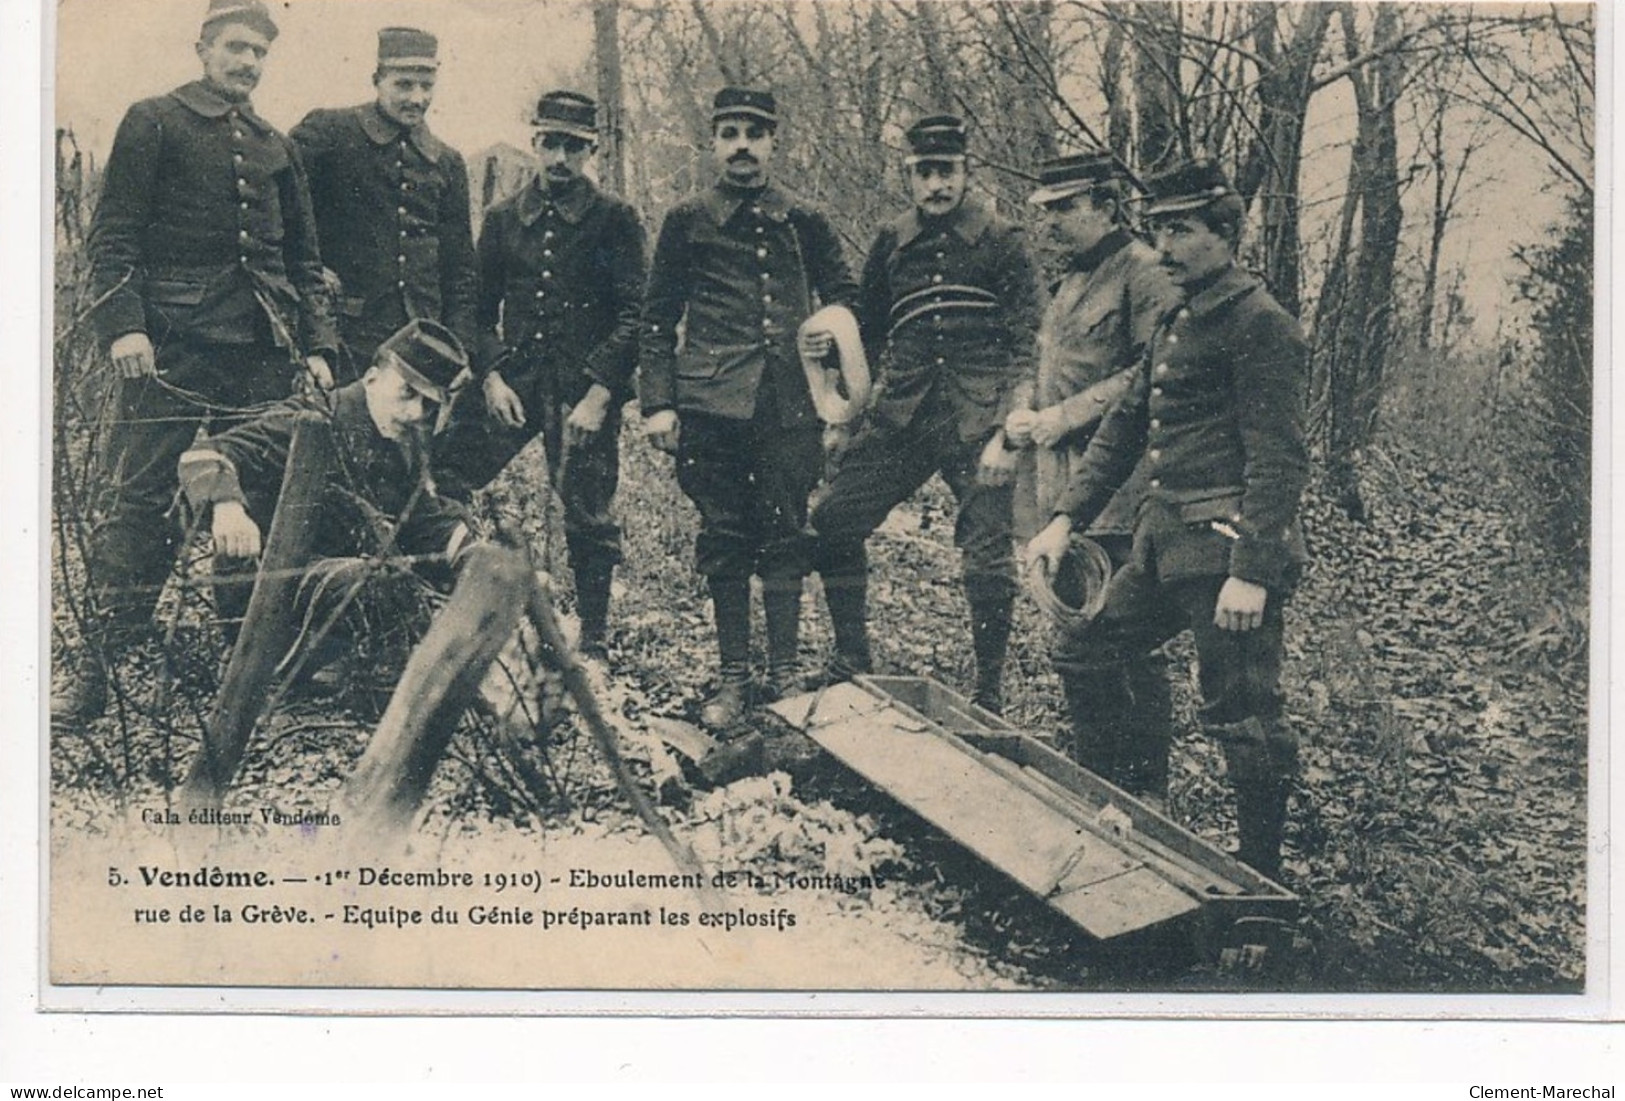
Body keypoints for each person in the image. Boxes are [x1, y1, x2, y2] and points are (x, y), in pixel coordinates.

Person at [1024, 159, 1311, 879]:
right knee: (1086, 648)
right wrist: (1064, 517)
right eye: (1154, 230)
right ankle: (1114, 805)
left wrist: (1251, 572)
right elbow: (1123, 428)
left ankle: (1260, 879)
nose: (1162, 247)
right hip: (1160, 546)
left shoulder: (1259, 323)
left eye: (1178, 229)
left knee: (1241, 714)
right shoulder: (1179, 318)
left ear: (1224, 233)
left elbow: (1278, 460)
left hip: (1224, 556)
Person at [56, 0, 337, 720]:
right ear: (203, 47)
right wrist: (124, 327)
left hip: (260, 354)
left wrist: (317, 347)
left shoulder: (278, 144)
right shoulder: (154, 120)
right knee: (144, 504)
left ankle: (243, 675)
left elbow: (304, 263)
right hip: (169, 354)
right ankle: (95, 676)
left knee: (253, 507)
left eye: (259, 53)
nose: (247, 63)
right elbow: (112, 241)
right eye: (235, 47)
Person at [640, 87, 858, 728]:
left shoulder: (805, 220)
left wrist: (828, 330)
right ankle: (734, 677)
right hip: (710, 407)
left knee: (786, 531)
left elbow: (848, 297)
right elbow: (656, 320)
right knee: (726, 535)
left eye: (754, 133)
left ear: (773, 142)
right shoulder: (686, 220)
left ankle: (785, 673)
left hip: (790, 404)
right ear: (713, 142)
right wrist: (659, 404)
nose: (742, 145)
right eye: (730, 132)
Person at [808, 115, 1040, 714]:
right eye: (924, 173)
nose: (937, 185)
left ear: (968, 172)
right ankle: (851, 658)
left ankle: (988, 691)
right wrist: (841, 393)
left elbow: (1027, 344)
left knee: (987, 552)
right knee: (834, 518)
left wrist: (1009, 433)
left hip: (977, 420)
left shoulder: (1003, 240)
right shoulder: (891, 241)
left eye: (948, 172)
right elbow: (871, 333)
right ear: (908, 176)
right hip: (903, 415)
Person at [434, 90, 646, 658]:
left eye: (573, 147)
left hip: (583, 390)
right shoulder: (505, 219)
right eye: (550, 143)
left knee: (587, 510)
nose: (559, 158)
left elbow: (637, 314)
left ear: (591, 150)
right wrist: (491, 376)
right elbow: (478, 310)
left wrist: (602, 393)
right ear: (534, 141)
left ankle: (594, 638)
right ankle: (444, 605)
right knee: (446, 473)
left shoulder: (615, 220)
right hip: (515, 381)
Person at [1009, 150, 1179, 797]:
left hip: (1120, 493)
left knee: (1123, 644)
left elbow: (1151, 376)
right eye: (1045, 211)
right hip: (1068, 494)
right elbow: (1049, 362)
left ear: (1105, 206)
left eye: (1063, 208)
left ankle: (1143, 795)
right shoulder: (1071, 281)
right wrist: (1027, 410)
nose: (1050, 223)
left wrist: (1067, 414)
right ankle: (1095, 783)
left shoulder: (1140, 272)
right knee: (1078, 637)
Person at [178, 319, 476, 681]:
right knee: (379, 583)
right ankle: (309, 670)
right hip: (264, 596)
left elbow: (426, 519)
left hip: (335, 588)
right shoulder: (311, 420)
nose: (416, 413)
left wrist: (484, 561)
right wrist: (227, 508)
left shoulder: (400, 441)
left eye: (429, 405)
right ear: (371, 378)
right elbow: (205, 454)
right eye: (407, 393)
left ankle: (353, 667)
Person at [290, 26, 477, 380]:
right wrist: (315, 270)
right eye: (403, 85)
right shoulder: (329, 133)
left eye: (426, 86)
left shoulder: (447, 162)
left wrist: (461, 351)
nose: (417, 98)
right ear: (377, 80)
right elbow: (282, 211)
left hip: (421, 342)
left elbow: (460, 271)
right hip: (344, 336)